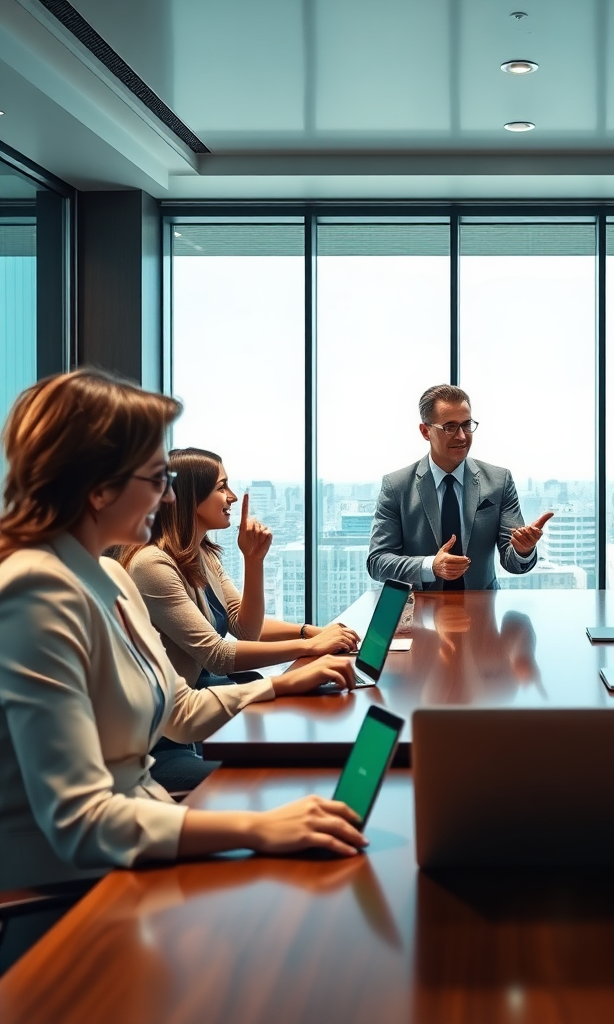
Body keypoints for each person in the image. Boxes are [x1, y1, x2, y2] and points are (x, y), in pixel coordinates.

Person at [0, 370, 368, 894]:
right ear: (99, 489)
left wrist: (280, 684)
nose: (169, 498)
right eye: (157, 480)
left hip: (137, 854)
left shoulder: (108, 577)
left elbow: (180, 711)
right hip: (72, 896)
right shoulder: (35, 592)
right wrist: (258, 828)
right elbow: (81, 823)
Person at [120, 447, 359, 691]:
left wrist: (254, 561)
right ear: (192, 496)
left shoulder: (202, 554)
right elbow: (217, 655)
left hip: (205, 689)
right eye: (221, 487)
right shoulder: (152, 565)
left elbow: (245, 629)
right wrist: (311, 645)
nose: (231, 497)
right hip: (176, 710)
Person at [366, 384, 553, 590]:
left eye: (466, 425)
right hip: (420, 611)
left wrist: (522, 551)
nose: (462, 436)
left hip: (483, 610)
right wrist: (430, 566)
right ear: (425, 431)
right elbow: (377, 562)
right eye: (450, 427)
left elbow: (513, 563)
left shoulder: (499, 481)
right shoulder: (396, 486)